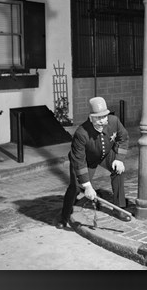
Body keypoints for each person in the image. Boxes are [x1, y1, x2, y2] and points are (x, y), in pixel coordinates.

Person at [55, 96, 131, 228]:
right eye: (97, 118)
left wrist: (119, 159)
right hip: (85, 161)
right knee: (76, 187)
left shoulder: (114, 121)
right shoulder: (81, 133)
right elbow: (79, 161)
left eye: (104, 117)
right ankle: (64, 216)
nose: (102, 121)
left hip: (105, 155)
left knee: (118, 171)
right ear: (90, 117)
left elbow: (123, 138)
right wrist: (88, 186)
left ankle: (119, 208)